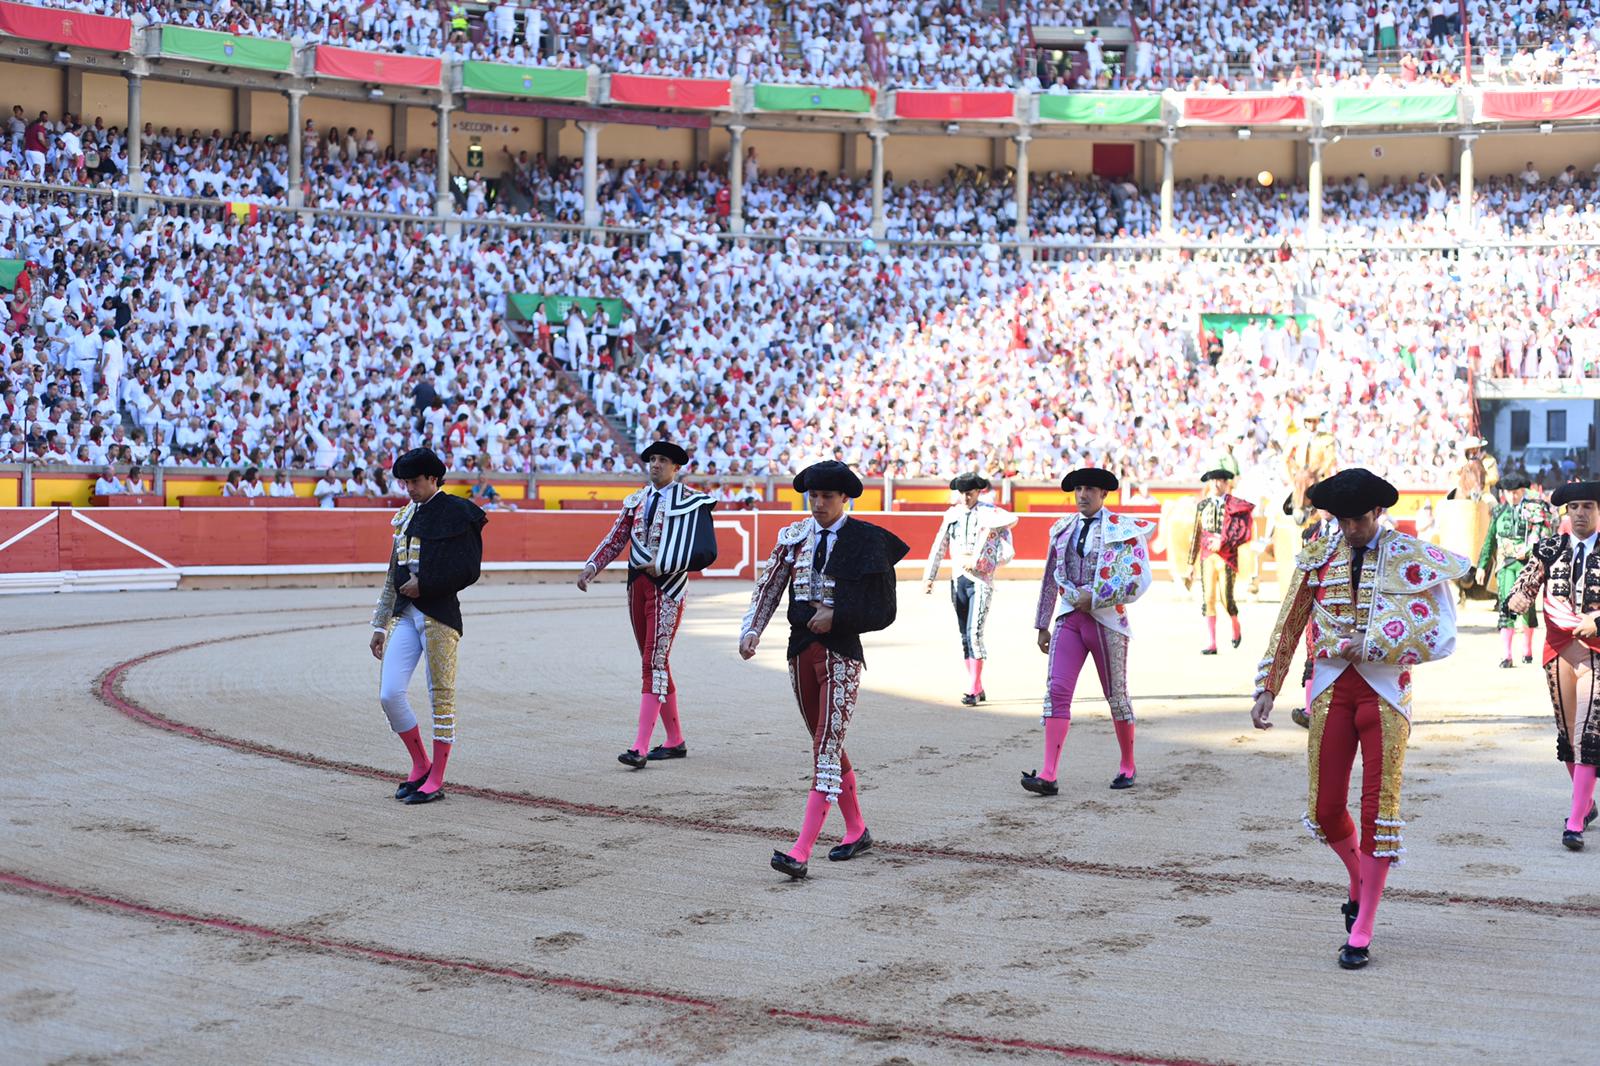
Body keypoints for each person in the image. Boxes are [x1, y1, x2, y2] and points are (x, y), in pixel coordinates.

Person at [1251, 469, 1468, 969]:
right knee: (1326, 809)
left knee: (1379, 809)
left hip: (1386, 692)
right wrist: (1268, 686)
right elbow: (1289, 620)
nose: (1350, 528)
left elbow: (1441, 634)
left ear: (1379, 513)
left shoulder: (1411, 556)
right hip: (1330, 690)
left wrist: (1374, 645)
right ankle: (1359, 879)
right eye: (1343, 520)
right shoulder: (1317, 555)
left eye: (1359, 519)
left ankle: (1363, 928)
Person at [739, 460, 909, 880]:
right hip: (800, 652)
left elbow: (884, 610)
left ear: (845, 498)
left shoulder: (867, 541)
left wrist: (837, 613)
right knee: (825, 741)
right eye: (812, 496)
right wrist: (752, 629)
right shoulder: (794, 538)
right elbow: (769, 585)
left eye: (826, 496)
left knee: (826, 748)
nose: (817, 504)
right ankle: (857, 829)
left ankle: (801, 850)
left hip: (842, 653)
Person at [578, 441, 718, 768]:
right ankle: (674, 740)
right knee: (654, 660)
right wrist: (592, 566)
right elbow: (616, 538)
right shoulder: (637, 500)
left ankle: (640, 747)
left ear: (676, 468)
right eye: (652, 459)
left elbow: (704, 550)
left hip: (667, 587)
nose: (655, 465)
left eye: (662, 460)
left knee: (653, 662)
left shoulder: (691, 502)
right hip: (637, 585)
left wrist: (668, 563)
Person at [1023, 467, 1156, 797]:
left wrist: (1095, 596)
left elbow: (1139, 578)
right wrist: (1042, 623)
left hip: (1107, 621)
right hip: (1069, 618)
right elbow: (1050, 578)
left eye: (1090, 490)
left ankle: (1127, 764)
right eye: (1079, 488)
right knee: (1056, 690)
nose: (1082, 494)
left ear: (1104, 495)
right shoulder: (1062, 529)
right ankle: (1049, 774)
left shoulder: (1124, 530)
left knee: (1117, 696)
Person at [370, 447, 488, 805]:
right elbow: (394, 575)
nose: (408, 487)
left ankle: (437, 777)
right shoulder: (405, 516)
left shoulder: (458, 512)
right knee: (390, 694)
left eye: (414, 481)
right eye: (405, 481)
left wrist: (426, 584)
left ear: (433, 478)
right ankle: (421, 763)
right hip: (406, 615)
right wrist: (379, 624)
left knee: (442, 697)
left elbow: (470, 569)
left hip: (439, 615)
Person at [1507, 481, 1600, 852]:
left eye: (1588, 506)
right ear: (1565, 513)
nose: (1580, 512)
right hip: (1559, 649)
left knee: (1587, 736)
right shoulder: (1549, 548)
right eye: (1574, 506)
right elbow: (1527, 584)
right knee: (1567, 738)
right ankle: (1587, 803)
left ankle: (1574, 822)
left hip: (1596, 651)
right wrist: (1518, 596)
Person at [922, 473, 1017, 705]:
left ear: (978, 492)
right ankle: (977, 684)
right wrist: (929, 576)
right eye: (962, 493)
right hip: (958, 579)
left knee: (975, 633)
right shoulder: (952, 514)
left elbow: (1007, 551)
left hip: (981, 581)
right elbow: (939, 546)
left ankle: (973, 689)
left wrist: (983, 563)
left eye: (970, 493)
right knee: (965, 634)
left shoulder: (991, 515)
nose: (965, 497)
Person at [1475, 474, 1554, 668]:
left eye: (1516, 492)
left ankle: (1527, 650)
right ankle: (1507, 655)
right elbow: (1490, 540)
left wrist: (1529, 552)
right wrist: (1481, 565)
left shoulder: (1534, 510)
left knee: (1525, 605)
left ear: (1522, 491)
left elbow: (1544, 536)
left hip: (1527, 565)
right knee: (1506, 604)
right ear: (1503, 493)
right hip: (1505, 565)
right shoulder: (1499, 512)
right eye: (1509, 493)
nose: (1512, 496)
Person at [1186, 469, 1256, 654]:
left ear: (1227, 484)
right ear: (1209, 484)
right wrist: (1190, 564)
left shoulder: (1235, 505)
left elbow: (1243, 532)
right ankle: (1212, 643)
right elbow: (1196, 534)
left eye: (1220, 481)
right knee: (1208, 598)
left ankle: (1235, 625)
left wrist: (1223, 541)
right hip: (1207, 556)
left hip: (1226, 556)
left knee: (1227, 599)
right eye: (1214, 481)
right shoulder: (1202, 506)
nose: (1217, 484)